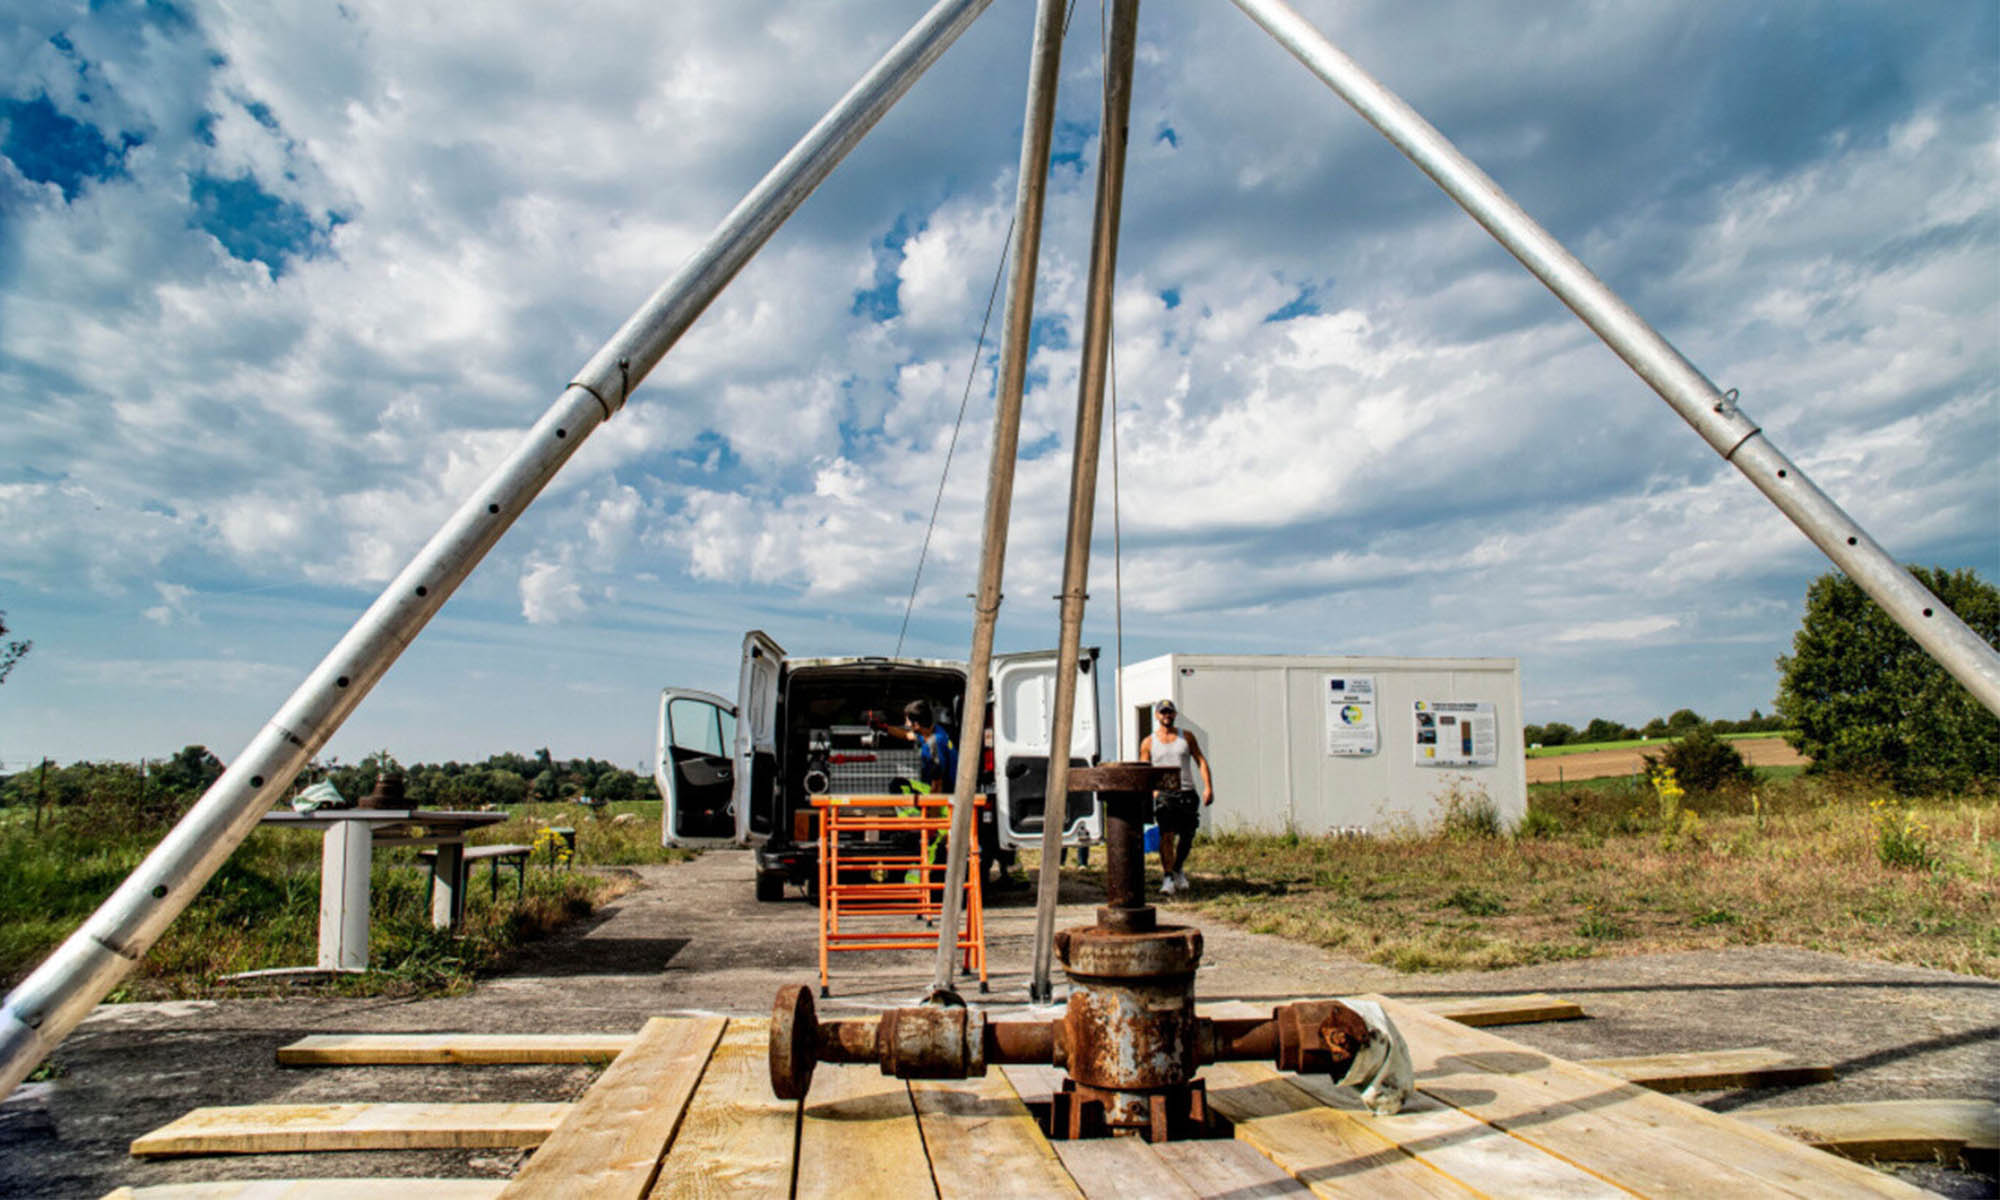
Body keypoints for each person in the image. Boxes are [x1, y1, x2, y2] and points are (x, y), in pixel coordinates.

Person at [1137, 698, 1212, 896]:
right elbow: (1144, 770)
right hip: (1165, 794)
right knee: (1166, 834)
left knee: (1187, 836)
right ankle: (1168, 876)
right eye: (1163, 712)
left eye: (1169, 712)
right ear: (1157, 716)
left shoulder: (1186, 737)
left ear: (1175, 714)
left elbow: (1200, 761)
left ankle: (1178, 867)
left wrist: (1208, 788)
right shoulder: (1149, 742)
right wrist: (1153, 792)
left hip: (1187, 792)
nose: (1166, 716)